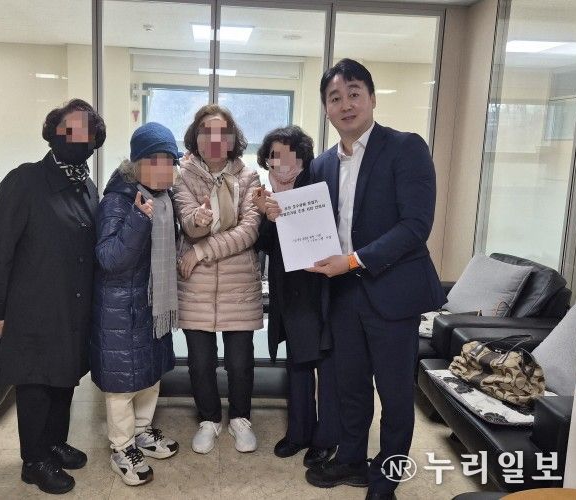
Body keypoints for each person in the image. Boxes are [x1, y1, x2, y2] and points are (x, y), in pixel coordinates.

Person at [296, 59, 447, 499]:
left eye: (354, 93)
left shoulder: (405, 147)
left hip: (392, 293)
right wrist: (281, 215)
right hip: (342, 295)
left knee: (396, 396)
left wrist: (354, 260)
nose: (346, 104)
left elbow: (415, 225)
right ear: (326, 108)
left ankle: (387, 478)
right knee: (351, 386)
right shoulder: (322, 165)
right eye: (335, 97)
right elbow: (314, 225)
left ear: (372, 98)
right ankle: (351, 458)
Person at [0, 98, 105, 495]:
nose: (78, 137)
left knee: (64, 378)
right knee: (36, 382)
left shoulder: (87, 186)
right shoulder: (25, 180)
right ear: (53, 132)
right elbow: (0, 249)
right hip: (33, 305)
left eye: (87, 131)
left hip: (73, 305)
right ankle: (33, 461)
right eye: (69, 129)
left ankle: (53, 444)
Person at [91, 122, 180, 487]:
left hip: (152, 306)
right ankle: (122, 447)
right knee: (122, 385)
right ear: (136, 162)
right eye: (154, 160)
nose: (163, 168)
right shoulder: (118, 201)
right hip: (122, 309)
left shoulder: (165, 200)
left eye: (169, 160)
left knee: (149, 376)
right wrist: (139, 219)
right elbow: (109, 258)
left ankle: (142, 432)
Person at [173, 104, 263, 455]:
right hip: (195, 286)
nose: (213, 139)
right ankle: (209, 419)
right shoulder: (183, 176)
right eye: (205, 131)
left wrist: (200, 251)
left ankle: (240, 418)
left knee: (240, 363)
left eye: (221, 132)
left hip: (239, 284)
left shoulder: (249, 177)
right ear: (195, 137)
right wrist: (197, 221)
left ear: (231, 138)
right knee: (200, 363)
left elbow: (249, 231)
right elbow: (188, 223)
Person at [253, 126, 339, 469]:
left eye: (289, 153)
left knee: (326, 367)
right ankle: (299, 432)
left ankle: (326, 438)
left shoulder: (319, 185)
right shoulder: (269, 192)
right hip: (288, 290)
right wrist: (268, 216)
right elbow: (264, 245)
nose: (281, 162)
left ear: (302, 156)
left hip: (323, 287)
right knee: (298, 364)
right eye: (274, 155)